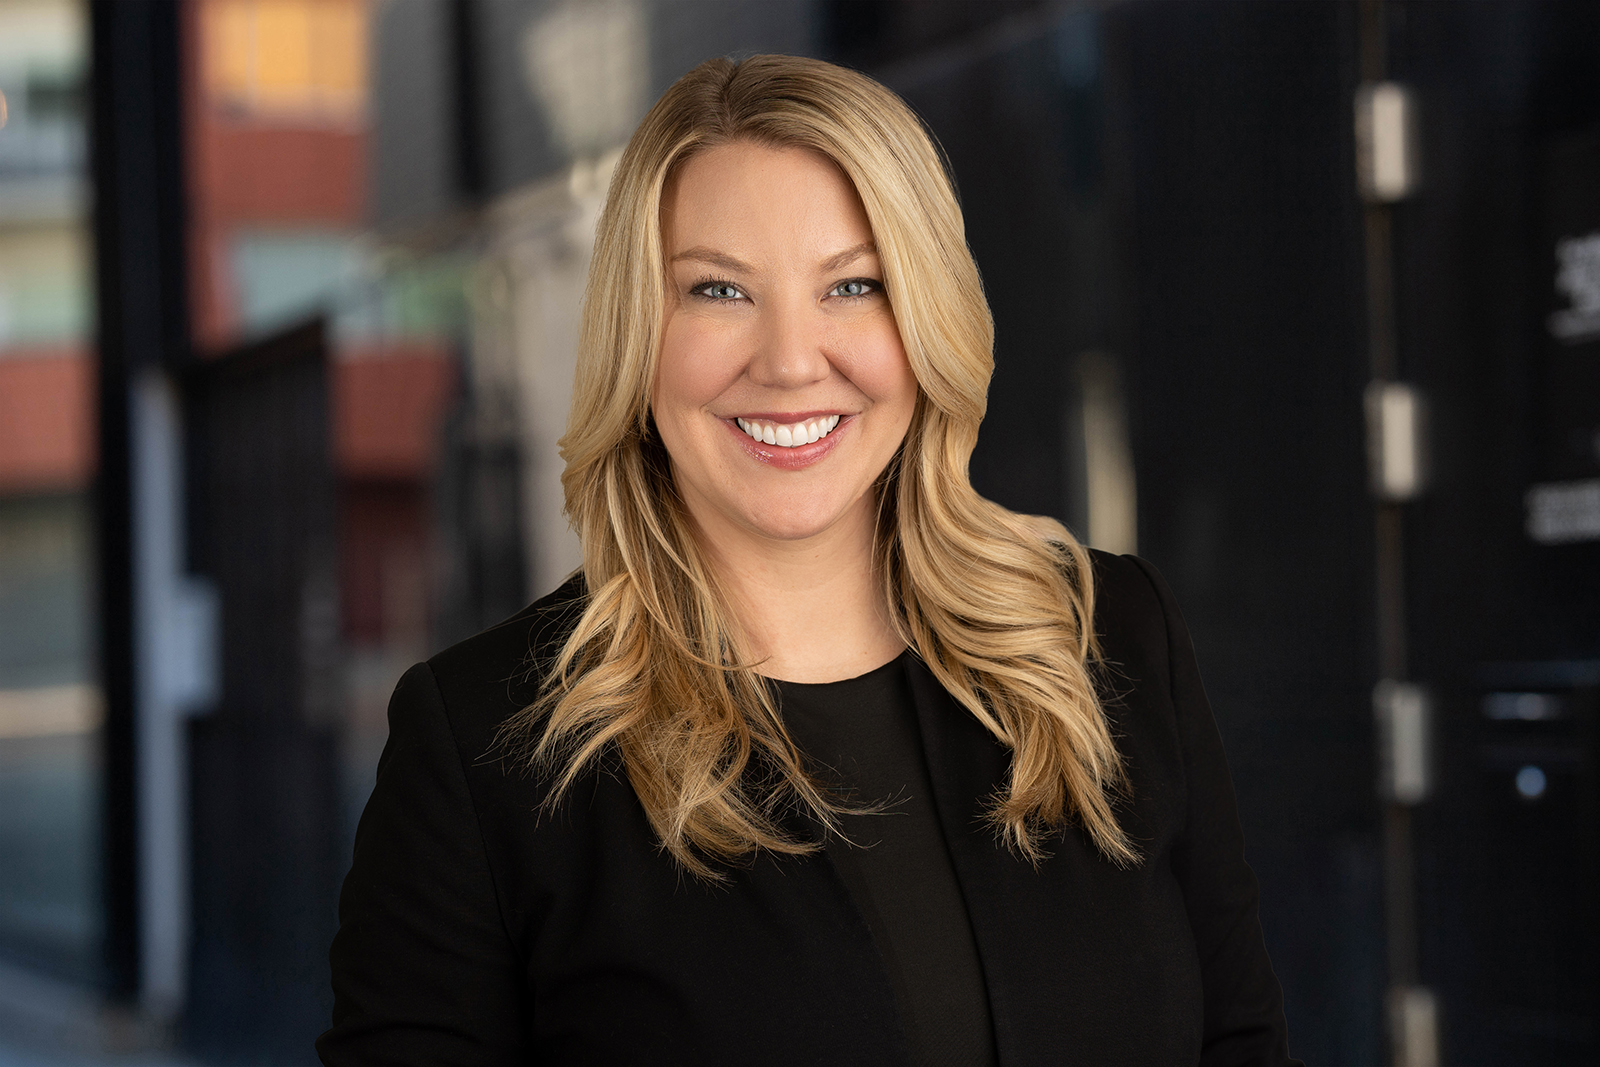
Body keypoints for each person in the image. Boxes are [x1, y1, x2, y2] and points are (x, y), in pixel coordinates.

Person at [317, 54, 1300, 1067]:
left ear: (925, 319)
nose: (790, 360)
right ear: (636, 338)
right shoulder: (486, 749)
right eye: (717, 289)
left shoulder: (1108, 642)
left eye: (852, 284)